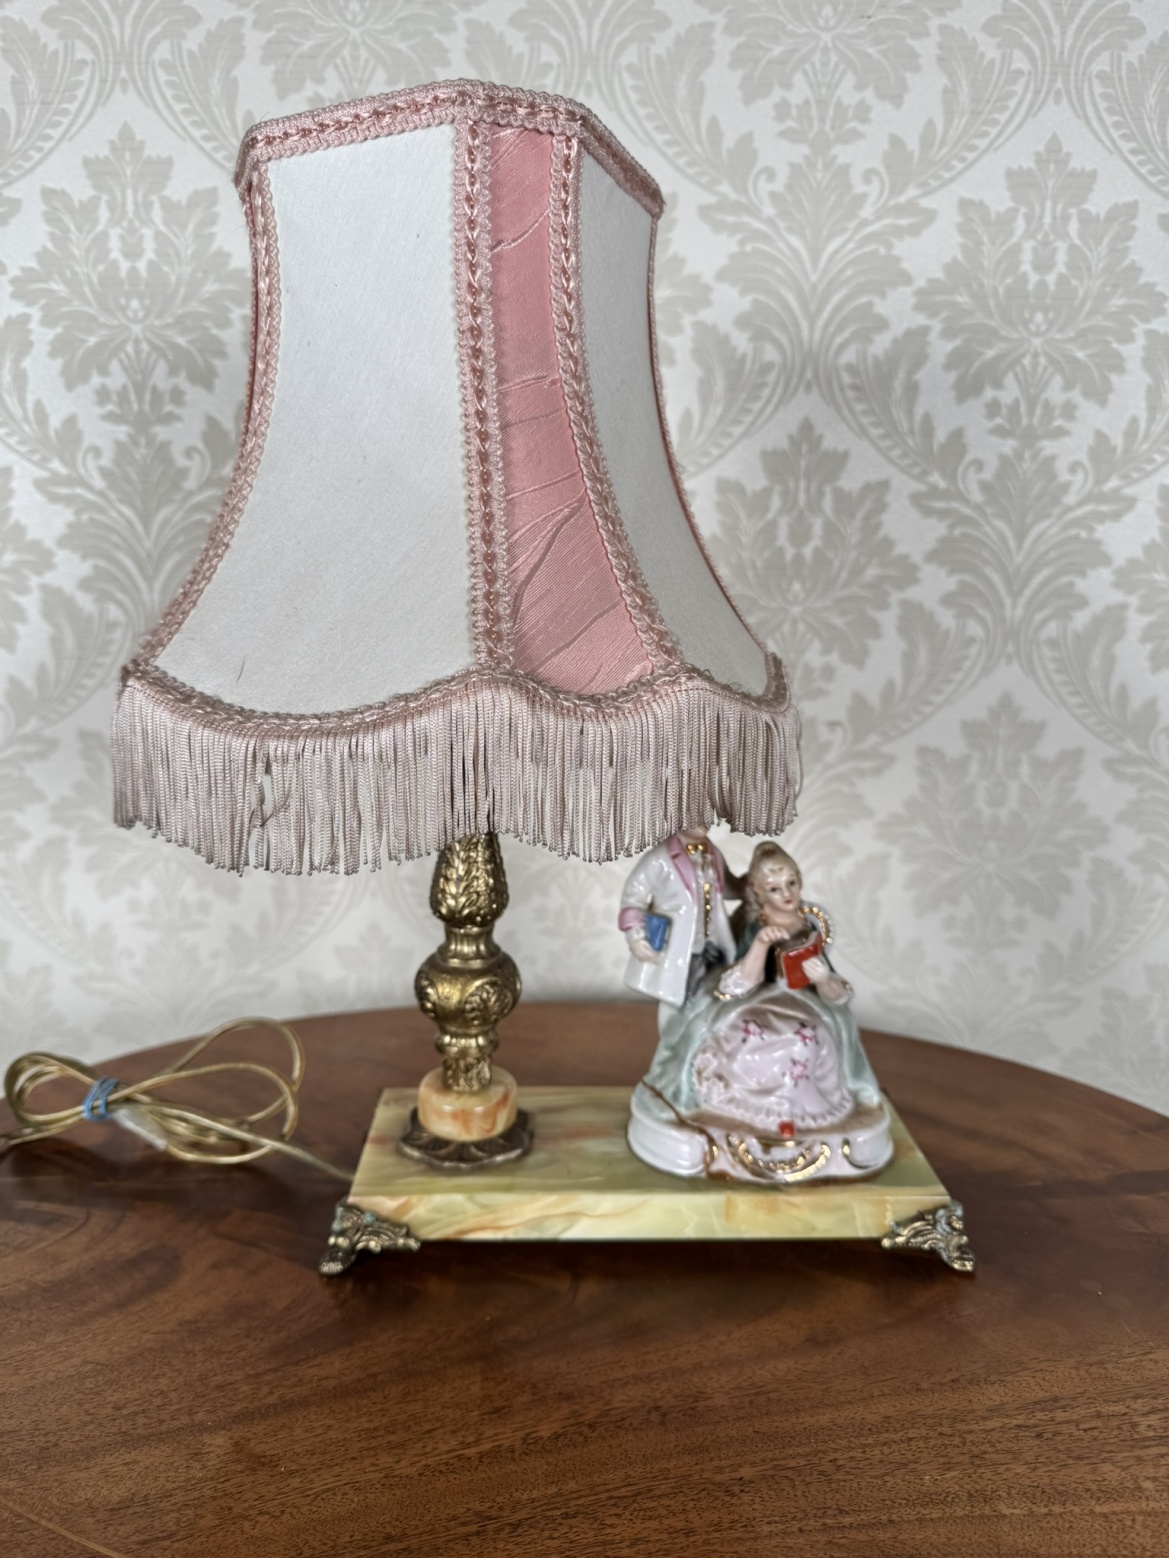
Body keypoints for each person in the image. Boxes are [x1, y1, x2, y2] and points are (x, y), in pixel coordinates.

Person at [625, 840, 889, 1180]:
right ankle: (748, 1106)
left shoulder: (808, 930)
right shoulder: (755, 926)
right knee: (747, 1033)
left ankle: (802, 1113)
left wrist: (823, 978)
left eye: (791, 884)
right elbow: (740, 982)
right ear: (760, 894)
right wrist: (762, 943)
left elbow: (836, 993)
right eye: (775, 889)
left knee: (809, 1037)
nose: (786, 894)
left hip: (804, 1001)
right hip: (757, 999)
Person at [617, 826, 741, 1008]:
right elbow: (633, 896)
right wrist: (635, 936)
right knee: (683, 998)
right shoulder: (659, 858)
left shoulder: (713, 853)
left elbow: (725, 887)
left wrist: (752, 886)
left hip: (713, 944)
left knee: (714, 993)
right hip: (682, 948)